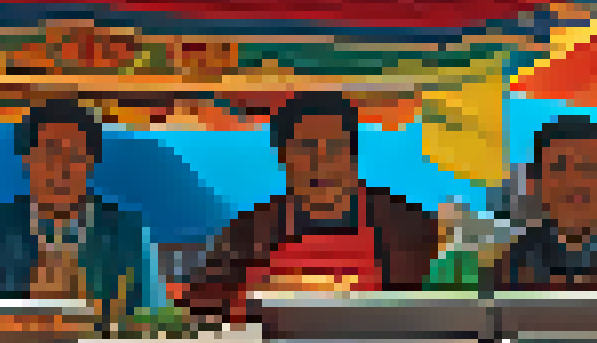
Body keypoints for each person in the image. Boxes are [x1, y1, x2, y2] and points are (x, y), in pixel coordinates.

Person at [184, 94, 439, 321]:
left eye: (334, 146)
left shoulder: (408, 226)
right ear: (282, 156)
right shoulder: (249, 231)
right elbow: (200, 309)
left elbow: (438, 307)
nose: (322, 161)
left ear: (353, 154)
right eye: (307, 147)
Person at [0, 101, 166, 318]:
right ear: (26, 159)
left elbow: (157, 322)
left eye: (74, 156)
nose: (62, 169)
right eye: (50, 154)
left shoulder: (130, 232)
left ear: (91, 162)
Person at [494, 116, 597, 291]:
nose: (574, 180)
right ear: (534, 182)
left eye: (587, 166)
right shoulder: (513, 266)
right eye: (559, 167)